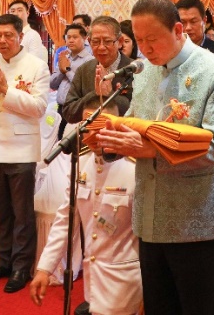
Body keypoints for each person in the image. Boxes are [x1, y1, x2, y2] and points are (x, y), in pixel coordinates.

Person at [95, 0, 214, 315]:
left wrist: (149, 150)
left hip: (196, 219)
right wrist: (112, 141)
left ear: (178, 30)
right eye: (138, 40)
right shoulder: (144, 70)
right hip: (150, 214)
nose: (145, 48)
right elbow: (135, 123)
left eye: (152, 39)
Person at [30, 105, 141, 315]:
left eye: (101, 125)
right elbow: (65, 220)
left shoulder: (136, 168)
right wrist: (45, 268)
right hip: (93, 280)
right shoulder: (81, 163)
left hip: (126, 280)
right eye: (88, 126)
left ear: (117, 126)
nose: (94, 133)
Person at [0, 14, 50, 293]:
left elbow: (39, 108)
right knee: (2, 212)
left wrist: (7, 91)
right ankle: (3, 261)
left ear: (20, 37)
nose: (2, 40)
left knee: (22, 213)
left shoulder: (36, 66)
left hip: (21, 151)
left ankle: (21, 267)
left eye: (8, 35)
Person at [51, 24, 93, 122]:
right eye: (68, 37)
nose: (71, 40)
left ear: (84, 38)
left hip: (77, 110)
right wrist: (62, 71)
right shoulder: (64, 57)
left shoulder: (89, 60)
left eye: (75, 37)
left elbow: (84, 87)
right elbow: (52, 84)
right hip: (60, 108)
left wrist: (67, 70)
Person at [175, 0, 214, 65]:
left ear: (204, 21)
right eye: (183, 22)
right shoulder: (172, 51)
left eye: (193, 21)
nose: (188, 28)